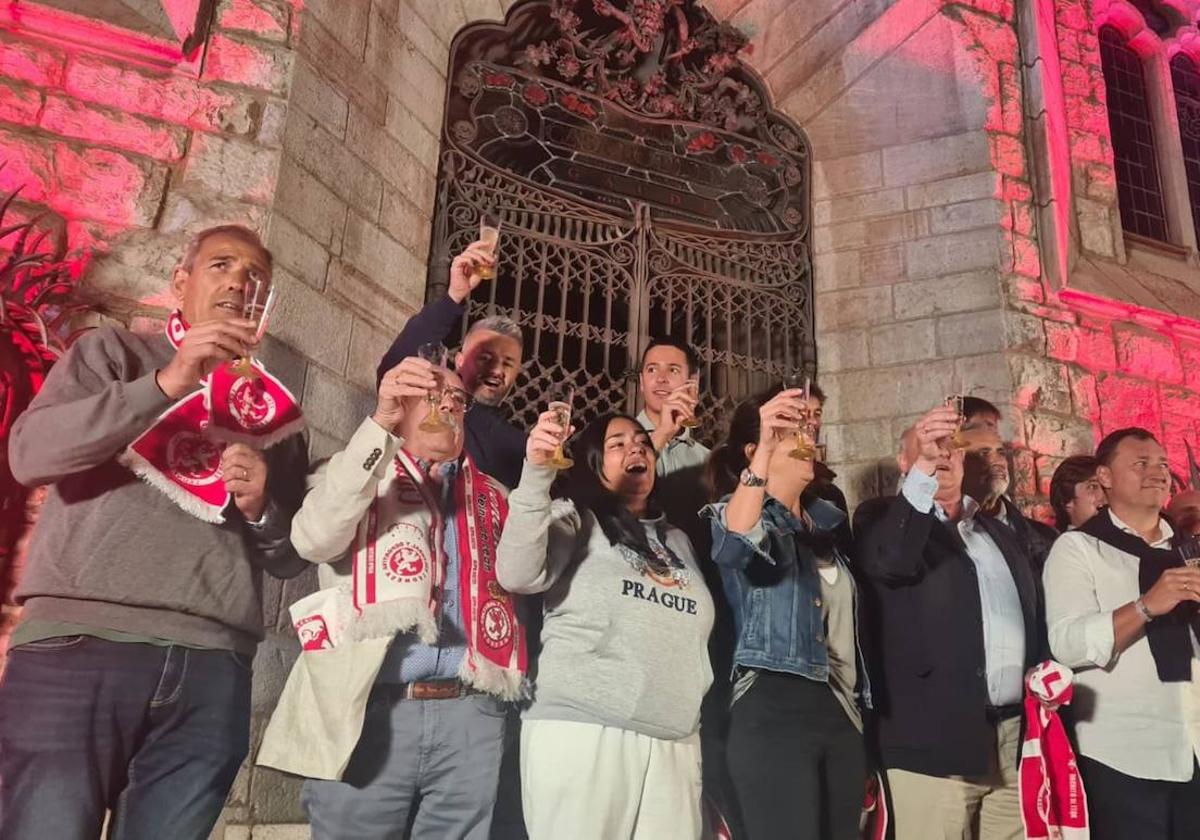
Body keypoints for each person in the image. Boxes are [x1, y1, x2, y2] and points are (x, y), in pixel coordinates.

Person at [0, 225, 309, 839]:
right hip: (79, 644)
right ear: (181, 283)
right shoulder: (113, 354)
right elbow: (31, 456)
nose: (239, 282)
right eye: (221, 264)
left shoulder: (275, 413)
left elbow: (286, 555)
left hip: (212, 662)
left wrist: (258, 508)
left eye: (256, 277)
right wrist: (168, 384)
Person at [258, 359, 526, 840]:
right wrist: (378, 426)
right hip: (372, 710)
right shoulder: (356, 472)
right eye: (432, 394)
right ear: (402, 407)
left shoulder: (496, 497)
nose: (448, 405)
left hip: (470, 715)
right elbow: (312, 540)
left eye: (457, 400)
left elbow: (528, 577)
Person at [496, 411, 714, 839]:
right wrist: (537, 473)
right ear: (594, 462)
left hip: (674, 738)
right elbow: (517, 574)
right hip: (584, 729)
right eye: (617, 443)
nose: (636, 448)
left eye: (642, 442)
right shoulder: (574, 519)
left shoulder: (678, 540)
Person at [855, 403, 1045, 840]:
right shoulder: (880, 519)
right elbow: (894, 561)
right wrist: (923, 471)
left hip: (1012, 739)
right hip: (933, 741)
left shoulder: (995, 532)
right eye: (927, 449)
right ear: (906, 462)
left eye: (951, 448)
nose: (943, 455)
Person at [704, 387, 870, 840]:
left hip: (840, 707)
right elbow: (738, 542)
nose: (805, 440)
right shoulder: (732, 513)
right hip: (772, 704)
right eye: (786, 434)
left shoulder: (830, 524)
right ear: (753, 451)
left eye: (807, 431)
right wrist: (764, 447)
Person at [1043, 427, 1200, 839]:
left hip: (1194, 741)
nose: (1158, 473)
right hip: (1122, 751)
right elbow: (1067, 643)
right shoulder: (1077, 549)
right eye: (1141, 464)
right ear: (1104, 478)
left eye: (1163, 464)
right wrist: (1146, 606)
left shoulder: (1189, 550)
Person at [376, 238, 525, 490]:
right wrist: (454, 296)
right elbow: (395, 366)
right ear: (459, 359)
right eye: (485, 357)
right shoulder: (424, 404)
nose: (496, 370)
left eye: (507, 363)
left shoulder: (516, 446)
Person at [636, 337, 711, 527]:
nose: (661, 378)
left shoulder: (706, 459)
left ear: (692, 383)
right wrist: (661, 434)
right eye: (651, 369)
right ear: (642, 382)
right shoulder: (610, 441)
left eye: (673, 370)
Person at [962, 428, 1059, 571]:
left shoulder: (1045, 537)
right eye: (983, 453)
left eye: (1000, 453)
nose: (998, 462)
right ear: (959, 464)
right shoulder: (944, 536)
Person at [1049, 455, 1104, 531]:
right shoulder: (1066, 541)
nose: (1104, 495)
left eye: (1105, 487)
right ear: (1066, 499)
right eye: (1092, 487)